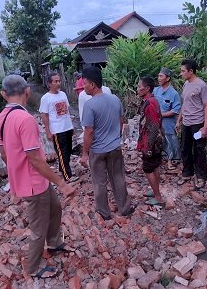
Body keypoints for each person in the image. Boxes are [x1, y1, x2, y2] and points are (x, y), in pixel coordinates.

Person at [0, 75, 76, 279]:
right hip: (33, 182)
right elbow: (35, 159)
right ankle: (32, 267)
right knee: (38, 227)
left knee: (55, 208)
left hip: (35, 180)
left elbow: (4, 154)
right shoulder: (25, 119)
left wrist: (15, 174)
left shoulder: (2, 118)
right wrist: (62, 183)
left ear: (3, 94)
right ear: (28, 91)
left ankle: (55, 243)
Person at [79, 66, 134, 220]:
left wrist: (84, 153)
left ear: (92, 85)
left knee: (99, 182)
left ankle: (104, 212)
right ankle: (124, 208)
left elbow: (88, 131)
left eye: (85, 84)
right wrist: (115, 137)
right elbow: (121, 121)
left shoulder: (90, 105)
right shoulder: (115, 99)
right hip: (114, 147)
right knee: (118, 178)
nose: (83, 87)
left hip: (98, 150)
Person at [175, 59, 207, 189]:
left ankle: (201, 177)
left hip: (197, 124)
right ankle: (187, 173)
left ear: (191, 71)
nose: (181, 73)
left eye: (183, 71)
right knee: (185, 149)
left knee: (198, 150)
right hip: (187, 123)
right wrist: (179, 120)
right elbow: (184, 104)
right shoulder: (186, 85)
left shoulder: (201, 85)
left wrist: (205, 126)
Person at [39, 72, 79, 183]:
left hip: (67, 127)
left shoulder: (63, 94)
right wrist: (48, 131)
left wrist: (71, 127)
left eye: (59, 81)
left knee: (68, 151)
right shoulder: (45, 98)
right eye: (55, 81)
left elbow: (67, 111)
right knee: (62, 152)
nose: (58, 83)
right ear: (49, 83)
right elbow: (45, 116)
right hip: (57, 130)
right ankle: (68, 176)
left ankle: (63, 168)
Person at [136, 76, 165, 207]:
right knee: (155, 166)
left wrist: (148, 146)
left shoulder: (150, 103)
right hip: (154, 140)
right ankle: (155, 191)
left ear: (147, 88)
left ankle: (158, 198)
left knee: (148, 168)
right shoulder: (152, 100)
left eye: (139, 86)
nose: (137, 89)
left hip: (151, 141)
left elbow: (153, 126)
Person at [153, 67, 182, 170]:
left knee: (170, 142)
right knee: (158, 142)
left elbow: (175, 110)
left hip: (168, 124)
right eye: (158, 76)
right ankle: (161, 161)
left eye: (161, 76)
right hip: (156, 123)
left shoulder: (174, 94)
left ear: (168, 78)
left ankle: (172, 162)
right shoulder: (156, 90)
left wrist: (160, 115)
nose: (159, 78)